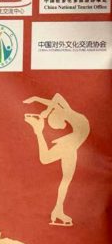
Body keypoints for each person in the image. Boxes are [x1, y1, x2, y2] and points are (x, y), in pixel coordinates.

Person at [23, 93, 90, 226]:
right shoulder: (65, 111)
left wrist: (44, 108)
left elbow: (57, 97)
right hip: (71, 144)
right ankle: (58, 210)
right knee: (65, 179)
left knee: (65, 178)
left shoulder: (66, 111)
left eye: (58, 125)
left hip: (72, 143)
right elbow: (55, 101)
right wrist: (39, 102)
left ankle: (57, 210)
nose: (61, 127)